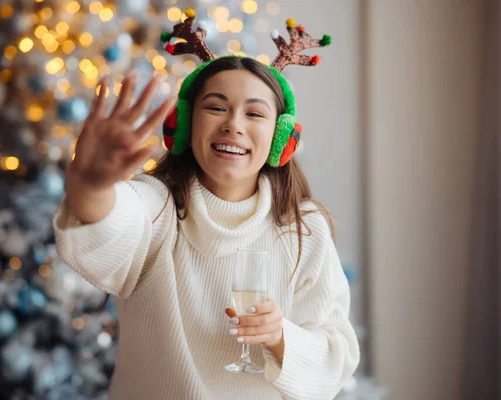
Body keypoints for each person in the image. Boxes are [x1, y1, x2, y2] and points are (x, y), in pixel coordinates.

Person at [53, 12, 360, 400]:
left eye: (254, 113)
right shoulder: (156, 207)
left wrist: (281, 338)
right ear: (184, 125)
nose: (233, 124)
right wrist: (90, 185)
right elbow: (106, 223)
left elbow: (336, 360)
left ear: (282, 137)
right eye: (216, 108)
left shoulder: (305, 230)